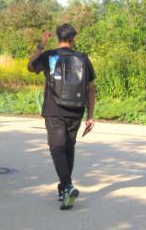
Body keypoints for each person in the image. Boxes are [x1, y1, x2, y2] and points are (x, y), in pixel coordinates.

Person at [27, 23, 96, 210]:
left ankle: (67, 186)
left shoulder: (49, 55)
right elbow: (90, 88)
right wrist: (90, 115)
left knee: (57, 148)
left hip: (54, 108)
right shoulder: (82, 58)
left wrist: (41, 44)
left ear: (57, 38)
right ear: (73, 39)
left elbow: (31, 67)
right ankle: (64, 187)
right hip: (76, 109)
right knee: (68, 147)